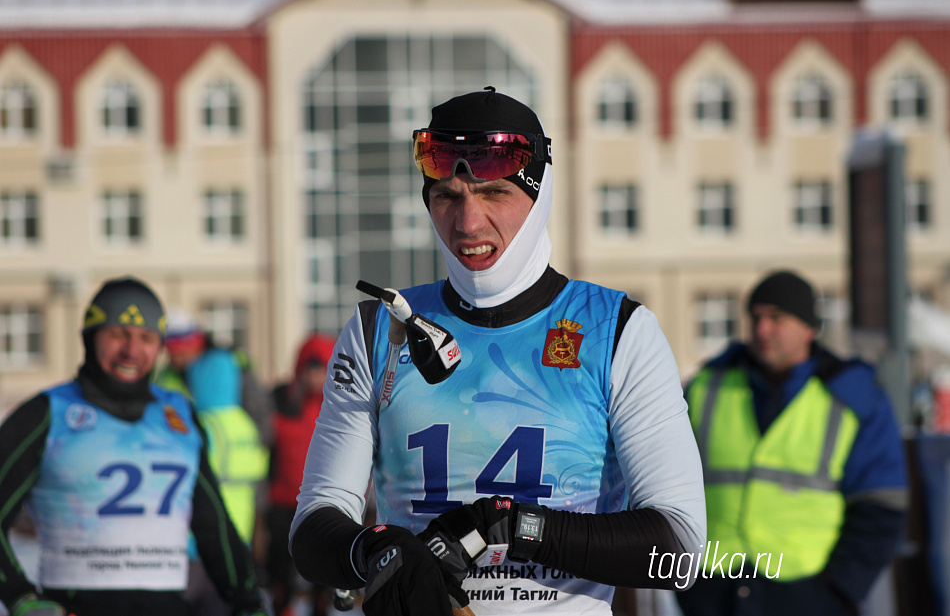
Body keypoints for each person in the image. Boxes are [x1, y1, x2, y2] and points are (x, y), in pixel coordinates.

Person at [288, 87, 706, 616]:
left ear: (539, 196)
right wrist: (375, 551)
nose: (467, 224)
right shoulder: (380, 329)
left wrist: (510, 526)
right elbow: (312, 527)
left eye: (493, 193)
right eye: (447, 196)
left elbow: (679, 548)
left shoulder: (618, 330)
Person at [0, 276, 268, 616]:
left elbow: (213, 524)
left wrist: (248, 602)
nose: (131, 350)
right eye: (117, 334)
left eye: (146, 338)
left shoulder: (180, 414)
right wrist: (20, 597)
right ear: (89, 336)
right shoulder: (47, 413)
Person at [676, 270, 909, 616]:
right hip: (713, 590)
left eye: (776, 318)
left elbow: (881, 504)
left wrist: (839, 588)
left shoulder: (854, 398)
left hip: (808, 593)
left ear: (809, 328)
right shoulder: (705, 387)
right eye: (755, 317)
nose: (762, 330)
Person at [183, 348, 270, 616]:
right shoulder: (247, 425)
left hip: (195, 543)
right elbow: (259, 481)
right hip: (237, 539)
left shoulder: (202, 424)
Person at [265, 334, 336, 616]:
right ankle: (283, 609)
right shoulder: (281, 402)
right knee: (279, 568)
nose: (315, 376)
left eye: (322, 369)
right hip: (283, 499)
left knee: (323, 569)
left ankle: (320, 609)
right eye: (310, 367)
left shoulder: (338, 407)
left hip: (322, 502)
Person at [156, 309, 273, 446]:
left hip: (238, 453)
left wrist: (265, 443)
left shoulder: (226, 364)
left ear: (196, 343)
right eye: (170, 352)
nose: (175, 357)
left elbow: (257, 407)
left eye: (180, 350)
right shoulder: (167, 375)